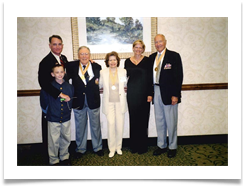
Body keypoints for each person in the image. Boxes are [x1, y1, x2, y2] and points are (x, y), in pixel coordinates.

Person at [66, 46, 104, 157]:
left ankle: (98, 147)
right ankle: (80, 149)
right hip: (78, 101)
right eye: (81, 54)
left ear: (90, 55)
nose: (84, 56)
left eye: (86, 54)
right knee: (80, 126)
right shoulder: (71, 66)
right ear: (78, 56)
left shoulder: (97, 66)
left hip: (93, 101)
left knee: (95, 126)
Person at [149, 34, 183, 158]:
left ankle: (172, 146)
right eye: (156, 42)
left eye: (160, 41)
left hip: (169, 93)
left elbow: (178, 77)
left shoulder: (174, 56)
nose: (158, 44)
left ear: (165, 42)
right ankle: (161, 145)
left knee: (171, 121)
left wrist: (176, 95)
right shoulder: (152, 57)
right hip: (156, 90)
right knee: (159, 120)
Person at [38, 35, 70, 164]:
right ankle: (53, 159)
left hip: (63, 102)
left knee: (65, 134)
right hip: (52, 101)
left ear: (62, 45)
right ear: (50, 45)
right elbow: (43, 83)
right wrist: (59, 94)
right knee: (53, 135)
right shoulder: (45, 61)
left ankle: (64, 157)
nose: (57, 47)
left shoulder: (64, 59)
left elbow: (71, 71)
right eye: (55, 44)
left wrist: (89, 62)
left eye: (59, 44)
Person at [124, 40, 153, 154]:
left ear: (143, 49)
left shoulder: (147, 60)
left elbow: (150, 77)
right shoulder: (127, 61)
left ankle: (142, 146)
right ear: (133, 48)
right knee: (133, 119)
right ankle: (134, 146)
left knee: (143, 120)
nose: (138, 49)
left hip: (144, 93)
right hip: (132, 93)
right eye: (136, 47)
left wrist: (150, 93)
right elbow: (124, 76)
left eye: (140, 47)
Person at [42, 64, 74, 165]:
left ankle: (64, 157)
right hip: (53, 117)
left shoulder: (69, 87)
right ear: (52, 74)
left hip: (65, 117)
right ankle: (53, 159)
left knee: (66, 138)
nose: (59, 74)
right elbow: (44, 102)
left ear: (64, 73)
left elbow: (71, 102)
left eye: (61, 72)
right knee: (53, 140)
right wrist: (48, 114)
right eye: (57, 72)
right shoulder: (48, 87)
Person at [99, 51, 128, 158]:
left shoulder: (123, 71)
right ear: (107, 62)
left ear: (117, 61)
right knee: (111, 125)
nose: (112, 62)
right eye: (110, 60)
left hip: (120, 102)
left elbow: (125, 84)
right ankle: (111, 148)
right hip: (109, 102)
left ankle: (118, 147)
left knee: (120, 125)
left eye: (114, 60)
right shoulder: (103, 72)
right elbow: (100, 85)